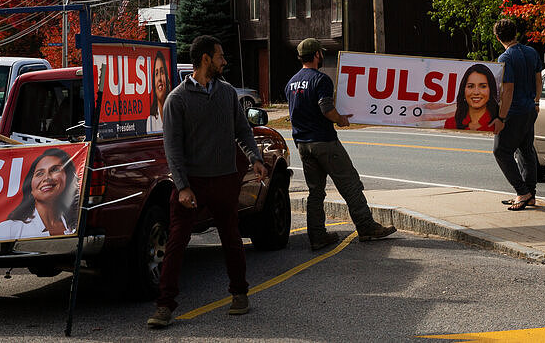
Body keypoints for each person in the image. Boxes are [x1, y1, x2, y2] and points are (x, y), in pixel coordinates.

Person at [148, 35, 268, 329]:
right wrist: (182, 186)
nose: (224, 61)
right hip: (193, 184)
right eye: (220, 56)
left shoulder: (228, 94)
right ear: (205, 59)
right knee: (176, 242)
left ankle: (240, 294)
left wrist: (255, 158)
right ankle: (165, 306)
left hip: (225, 180)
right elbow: (172, 148)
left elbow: (243, 131)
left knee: (231, 238)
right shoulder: (177, 99)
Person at [285, 37, 396, 251]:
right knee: (350, 184)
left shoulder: (291, 82)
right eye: (320, 53)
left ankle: (317, 236)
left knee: (315, 192)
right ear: (317, 55)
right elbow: (326, 108)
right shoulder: (321, 79)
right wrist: (341, 119)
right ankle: (366, 227)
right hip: (324, 142)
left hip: (302, 144)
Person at [491, 19, 543, 211]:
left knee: (500, 151)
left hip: (514, 113)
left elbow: (509, 90)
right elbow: (539, 79)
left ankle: (522, 192)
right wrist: (537, 101)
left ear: (498, 38)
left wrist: (501, 118)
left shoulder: (505, 58)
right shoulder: (531, 52)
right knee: (525, 151)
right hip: (530, 109)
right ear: (515, 33)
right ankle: (530, 195)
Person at [0, 147, 78, 240]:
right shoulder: (9, 229)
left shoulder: (77, 223)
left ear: (68, 179)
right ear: (30, 188)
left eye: (55, 170)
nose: (47, 178)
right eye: (39, 173)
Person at [445, 64, 499, 131]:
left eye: (483, 86)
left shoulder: (498, 125)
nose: (476, 92)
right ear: (463, 90)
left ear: (491, 90)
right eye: (470, 86)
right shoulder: (451, 123)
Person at [145, 50, 169, 134]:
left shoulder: (175, 112)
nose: (159, 78)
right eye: (156, 73)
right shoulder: (151, 121)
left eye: (162, 72)